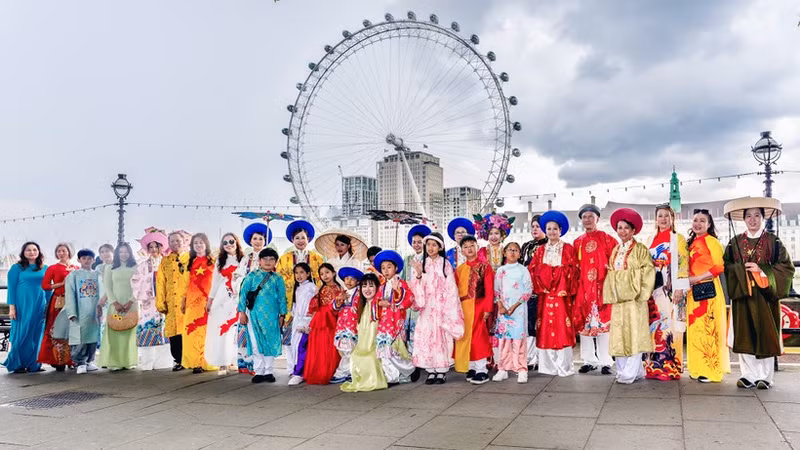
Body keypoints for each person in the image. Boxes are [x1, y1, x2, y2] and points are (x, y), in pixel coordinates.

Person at [723, 199, 794, 389]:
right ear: (744, 219)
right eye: (748, 216)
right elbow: (727, 266)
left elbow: (786, 267)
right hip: (743, 294)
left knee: (765, 334)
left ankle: (766, 376)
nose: (752, 220)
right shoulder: (734, 242)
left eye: (757, 215)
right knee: (744, 333)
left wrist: (761, 270)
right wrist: (740, 271)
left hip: (765, 295)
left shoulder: (773, 241)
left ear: (763, 218)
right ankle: (748, 375)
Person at [603, 208, 656, 384]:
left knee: (634, 334)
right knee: (619, 335)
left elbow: (648, 272)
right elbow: (611, 273)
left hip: (635, 300)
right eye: (620, 228)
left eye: (626, 228)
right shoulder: (615, 250)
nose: (623, 231)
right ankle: (626, 370)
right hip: (619, 301)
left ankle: (629, 372)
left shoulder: (640, 249)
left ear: (633, 230)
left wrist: (640, 292)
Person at [410, 232, 464, 384]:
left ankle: (441, 371)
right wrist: (419, 275)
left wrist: (448, 307)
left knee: (440, 337)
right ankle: (430, 370)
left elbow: (451, 287)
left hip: (442, 307)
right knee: (427, 337)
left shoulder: (445, 264)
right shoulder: (421, 263)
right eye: (428, 245)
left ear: (440, 247)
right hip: (426, 307)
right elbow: (415, 286)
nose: (431, 248)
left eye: (434, 245)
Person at [530, 211, 578, 377]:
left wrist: (550, 274)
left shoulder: (568, 249)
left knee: (562, 328)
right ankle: (548, 366)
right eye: (549, 228)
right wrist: (552, 273)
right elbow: (533, 270)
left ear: (560, 230)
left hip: (561, 297)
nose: (551, 232)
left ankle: (564, 366)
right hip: (545, 296)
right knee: (544, 327)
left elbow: (573, 270)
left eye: (555, 229)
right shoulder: (539, 251)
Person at [645, 204, 690, 381]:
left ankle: (670, 367)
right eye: (660, 216)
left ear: (672, 219)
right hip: (653, 289)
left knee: (670, 326)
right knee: (654, 325)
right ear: (655, 219)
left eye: (666, 216)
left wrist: (680, 288)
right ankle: (651, 365)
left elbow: (683, 263)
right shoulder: (650, 239)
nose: (663, 219)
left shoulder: (678, 238)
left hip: (670, 289)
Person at [573, 204, 618, 375]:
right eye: (584, 217)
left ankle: (606, 361)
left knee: (603, 326)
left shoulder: (607, 239)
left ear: (597, 218)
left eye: (590, 216)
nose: (587, 220)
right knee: (585, 326)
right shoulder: (577, 242)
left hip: (602, 288)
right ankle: (588, 360)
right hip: (583, 289)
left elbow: (615, 263)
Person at [686, 209, 730, 383]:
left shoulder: (712, 241)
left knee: (709, 329)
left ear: (709, 224)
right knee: (696, 330)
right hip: (692, 293)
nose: (698, 224)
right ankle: (697, 367)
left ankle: (710, 369)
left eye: (702, 221)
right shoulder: (692, 243)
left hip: (708, 291)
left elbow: (719, 267)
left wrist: (697, 278)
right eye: (695, 220)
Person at [276, 220, 324, 374]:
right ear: (292, 240)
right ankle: (291, 368)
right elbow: (279, 280)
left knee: (310, 338)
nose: (300, 241)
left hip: (311, 305)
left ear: (308, 239)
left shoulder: (317, 258)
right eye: (297, 238)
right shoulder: (284, 259)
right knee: (289, 340)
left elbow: (322, 279)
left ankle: (308, 367)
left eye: (303, 237)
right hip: (290, 304)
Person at [238, 247, 287, 383]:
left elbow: (282, 298)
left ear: (276, 262)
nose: (268, 261)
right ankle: (259, 371)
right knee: (255, 344)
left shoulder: (278, 279)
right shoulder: (251, 276)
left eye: (271, 259)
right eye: (265, 259)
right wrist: (242, 312)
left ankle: (269, 371)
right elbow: (243, 295)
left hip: (272, 317)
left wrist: (282, 315)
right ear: (259, 261)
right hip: (253, 316)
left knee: (270, 343)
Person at [2, 242, 48, 373]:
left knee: (36, 334)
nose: (32, 252)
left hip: (39, 304)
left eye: (35, 250)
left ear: (39, 252)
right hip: (22, 305)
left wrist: (49, 305)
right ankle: (17, 364)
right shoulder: (16, 268)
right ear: (23, 252)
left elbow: (48, 288)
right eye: (28, 250)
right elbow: (11, 289)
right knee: (21, 333)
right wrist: (12, 308)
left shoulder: (44, 268)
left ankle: (34, 364)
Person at [232, 223, 272, 374]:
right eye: (255, 238)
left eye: (260, 238)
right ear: (250, 240)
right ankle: (246, 363)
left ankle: (261, 366)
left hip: (264, 301)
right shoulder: (246, 258)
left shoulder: (270, 258)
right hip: (248, 299)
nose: (257, 241)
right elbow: (237, 276)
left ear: (265, 240)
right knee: (245, 328)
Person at [454, 235, 494, 385]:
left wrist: (488, 309)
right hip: (463, 308)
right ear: (462, 250)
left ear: (477, 247)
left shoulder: (485, 267)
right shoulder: (459, 270)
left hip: (479, 306)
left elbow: (489, 290)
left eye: (472, 245)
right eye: (465, 247)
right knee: (464, 338)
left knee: (479, 337)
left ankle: (482, 369)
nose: (469, 249)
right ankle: (470, 366)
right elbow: (455, 291)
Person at [131, 228, 171, 371]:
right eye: (151, 247)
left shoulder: (167, 263)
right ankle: (147, 362)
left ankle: (164, 362)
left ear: (161, 247)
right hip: (149, 302)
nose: (154, 249)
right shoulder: (142, 265)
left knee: (165, 330)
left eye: (156, 246)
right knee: (147, 329)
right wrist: (150, 279)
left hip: (165, 301)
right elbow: (135, 281)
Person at [373, 250, 416, 385]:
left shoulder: (402, 284)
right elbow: (374, 301)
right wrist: (379, 303)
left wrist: (397, 292)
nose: (386, 270)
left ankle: (408, 369)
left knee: (393, 350)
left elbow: (408, 300)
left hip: (395, 322)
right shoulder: (381, 286)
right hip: (383, 323)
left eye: (389, 267)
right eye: (383, 268)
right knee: (383, 350)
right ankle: (393, 375)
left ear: (396, 268)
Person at [341, 273, 389, 392]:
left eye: (371, 286)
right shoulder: (360, 305)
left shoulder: (379, 304)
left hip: (375, 344)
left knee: (370, 357)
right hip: (362, 343)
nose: (367, 289)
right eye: (364, 286)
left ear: (377, 288)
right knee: (355, 355)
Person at [493, 242, 533, 383]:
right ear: (504, 252)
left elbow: (528, 291)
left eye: (516, 250)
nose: (513, 252)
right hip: (503, 310)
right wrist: (501, 306)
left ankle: (521, 369)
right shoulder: (500, 271)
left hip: (519, 310)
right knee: (504, 340)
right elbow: (496, 291)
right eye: (510, 250)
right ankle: (502, 368)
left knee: (518, 339)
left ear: (520, 254)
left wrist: (515, 306)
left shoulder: (523, 270)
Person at [205, 233, 244, 373]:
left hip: (238, 298)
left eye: (231, 241)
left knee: (236, 330)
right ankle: (223, 362)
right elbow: (214, 283)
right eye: (225, 242)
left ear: (236, 242)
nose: (228, 244)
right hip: (222, 298)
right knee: (222, 329)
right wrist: (210, 301)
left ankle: (236, 360)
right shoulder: (220, 261)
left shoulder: (243, 259)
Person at [98, 243, 138, 371]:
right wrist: (114, 302)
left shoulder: (136, 267)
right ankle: (114, 362)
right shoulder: (110, 268)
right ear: (117, 254)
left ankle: (129, 361)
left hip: (131, 305)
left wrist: (130, 301)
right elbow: (108, 287)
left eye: (126, 252)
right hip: (115, 305)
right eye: (121, 252)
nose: (123, 254)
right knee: (115, 332)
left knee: (129, 332)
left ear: (130, 253)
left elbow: (138, 286)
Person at [181, 233, 216, 374]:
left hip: (208, 302)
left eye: (201, 242)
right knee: (192, 331)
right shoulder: (189, 262)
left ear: (206, 244)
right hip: (192, 303)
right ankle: (195, 362)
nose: (198, 245)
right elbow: (184, 284)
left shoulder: (213, 261)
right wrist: (183, 301)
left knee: (207, 332)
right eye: (195, 243)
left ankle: (207, 361)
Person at [38, 243, 77, 371]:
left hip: (73, 302)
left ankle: (73, 359)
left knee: (73, 329)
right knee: (57, 330)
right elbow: (45, 285)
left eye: (64, 251)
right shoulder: (53, 268)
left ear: (69, 252)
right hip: (58, 302)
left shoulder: (76, 267)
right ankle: (57, 359)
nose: (61, 253)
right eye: (59, 251)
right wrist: (61, 284)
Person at [304, 263, 345, 384]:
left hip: (334, 318)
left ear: (333, 273)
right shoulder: (320, 288)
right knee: (319, 346)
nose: (325, 276)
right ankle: (319, 371)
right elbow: (314, 307)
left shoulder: (340, 288)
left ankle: (332, 371)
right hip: (320, 319)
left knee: (331, 346)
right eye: (322, 274)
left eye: (327, 272)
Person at [64, 249, 101, 374]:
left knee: (93, 336)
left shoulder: (97, 274)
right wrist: (71, 312)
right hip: (80, 311)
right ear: (79, 260)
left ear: (94, 260)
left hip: (94, 311)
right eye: (84, 258)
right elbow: (69, 295)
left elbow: (103, 292)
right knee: (79, 337)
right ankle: (79, 362)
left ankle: (90, 361)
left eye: (89, 258)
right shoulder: (73, 275)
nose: (87, 261)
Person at [156, 232, 189, 371]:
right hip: (171, 302)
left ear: (184, 241)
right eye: (172, 241)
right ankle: (178, 360)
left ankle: (190, 359)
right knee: (174, 332)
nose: (176, 243)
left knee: (188, 330)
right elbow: (160, 282)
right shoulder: (165, 260)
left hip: (188, 301)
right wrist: (160, 302)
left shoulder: (190, 258)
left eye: (178, 240)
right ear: (169, 244)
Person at [519, 214, 546, 369]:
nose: (535, 229)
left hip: (544, 292)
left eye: (538, 226)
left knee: (542, 325)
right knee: (529, 325)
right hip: (528, 292)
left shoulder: (549, 244)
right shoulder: (526, 246)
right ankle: (530, 358)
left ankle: (543, 359)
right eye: (533, 227)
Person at [402, 224, 430, 355]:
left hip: (425, 300)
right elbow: (403, 280)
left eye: (420, 242)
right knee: (409, 329)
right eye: (414, 242)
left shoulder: (429, 260)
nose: (417, 245)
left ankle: (423, 357)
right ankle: (412, 358)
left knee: (423, 330)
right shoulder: (407, 259)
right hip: (409, 300)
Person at [332, 266, 363, 383]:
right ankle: (348, 372)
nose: (348, 282)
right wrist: (339, 300)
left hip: (353, 326)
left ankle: (344, 372)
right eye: (346, 279)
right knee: (343, 351)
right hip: (342, 326)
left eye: (352, 279)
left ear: (357, 281)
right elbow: (334, 307)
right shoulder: (342, 293)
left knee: (351, 351)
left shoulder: (359, 293)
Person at [287, 263, 315, 385]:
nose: (299, 275)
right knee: (294, 345)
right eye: (296, 273)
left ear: (308, 274)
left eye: (302, 272)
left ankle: (300, 372)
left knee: (301, 346)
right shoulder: (297, 288)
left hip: (306, 321)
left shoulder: (312, 288)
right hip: (297, 320)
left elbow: (313, 306)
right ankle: (295, 369)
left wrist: (307, 321)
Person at [94, 243, 114, 347]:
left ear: (113, 252)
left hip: (113, 301)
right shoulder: (98, 268)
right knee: (102, 326)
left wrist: (105, 297)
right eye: (102, 252)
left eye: (107, 251)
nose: (105, 254)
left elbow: (114, 283)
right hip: (100, 302)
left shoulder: (117, 266)